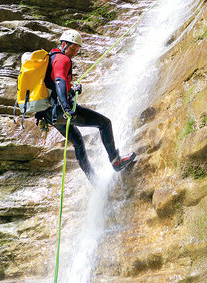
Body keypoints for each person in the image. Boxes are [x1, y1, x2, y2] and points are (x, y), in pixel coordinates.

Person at [35, 29, 136, 181]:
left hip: (51, 115)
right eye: (72, 48)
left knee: (77, 141)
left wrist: (72, 90)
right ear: (64, 44)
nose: (74, 52)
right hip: (62, 111)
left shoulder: (51, 58)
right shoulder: (63, 59)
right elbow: (59, 82)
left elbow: (55, 85)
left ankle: (93, 179)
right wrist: (66, 107)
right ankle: (116, 161)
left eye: (77, 49)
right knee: (104, 123)